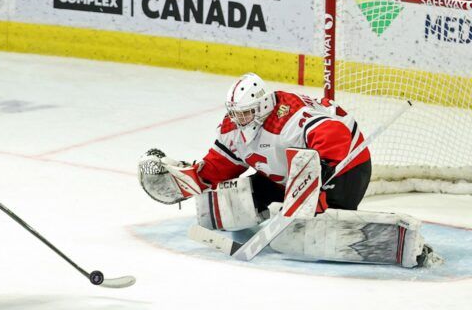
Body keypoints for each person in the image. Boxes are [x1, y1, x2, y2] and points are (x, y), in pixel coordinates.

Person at [139, 73, 437, 268]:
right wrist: (188, 180)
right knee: (226, 203)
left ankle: (399, 242)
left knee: (309, 227)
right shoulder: (233, 128)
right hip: (286, 175)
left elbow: (335, 136)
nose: (239, 120)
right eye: (235, 113)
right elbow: (219, 166)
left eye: (245, 113)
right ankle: (294, 200)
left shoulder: (289, 119)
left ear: (263, 105)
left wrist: (314, 178)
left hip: (345, 168)